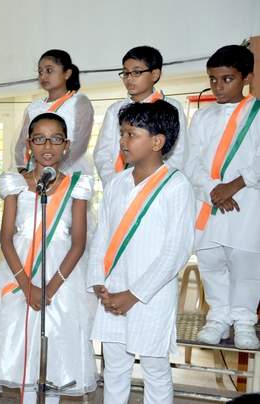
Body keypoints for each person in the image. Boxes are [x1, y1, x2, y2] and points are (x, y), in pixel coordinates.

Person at [88, 101, 195, 404]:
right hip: (112, 291)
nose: (122, 141)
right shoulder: (116, 183)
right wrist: (99, 282)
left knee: (155, 370)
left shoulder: (176, 185)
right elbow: (102, 236)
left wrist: (134, 294)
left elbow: (176, 251)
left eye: (131, 134)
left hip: (151, 296)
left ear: (157, 142)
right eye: (122, 133)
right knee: (114, 368)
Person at [0, 113, 96, 403]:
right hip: (21, 274)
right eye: (40, 139)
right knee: (24, 354)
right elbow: (7, 239)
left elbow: (78, 243)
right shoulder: (14, 184)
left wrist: (51, 288)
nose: (47, 146)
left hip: (61, 279)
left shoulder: (78, 186)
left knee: (56, 355)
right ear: (29, 144)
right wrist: (27, 286)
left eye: (55, 139)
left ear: (66, 145)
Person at [185, 45, 260, 349]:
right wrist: (214, 190)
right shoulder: (202, 117)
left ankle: (244, 321)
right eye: (213, 80)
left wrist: (235, 184)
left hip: (247, 202)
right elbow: (191, 162)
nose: (218, 87)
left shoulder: (257, 114)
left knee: (245, 264)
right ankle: (218, 317)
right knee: (211, 261)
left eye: (227, 79)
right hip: (210, 202)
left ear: (247, 78)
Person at [95, 46, 188, 188]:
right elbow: (102, 153)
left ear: (155, 74)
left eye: (136, 72)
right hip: (118, 185)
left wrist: (155, 185)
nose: (129, 78)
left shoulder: (171, 107)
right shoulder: (115, 110)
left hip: (156, 187)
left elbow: (179, 153)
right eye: (125, 73)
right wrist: (114, 183)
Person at [14, 50, 94, 175]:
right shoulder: (34, 107)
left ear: (67, 73)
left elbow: (79, 145)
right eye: (40, 72)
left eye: (49, 70)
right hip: (36, 174)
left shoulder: (79, 102)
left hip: (70, 173)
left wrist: (53, 171)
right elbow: (21, 145)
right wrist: (24, 171)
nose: (43, 76)